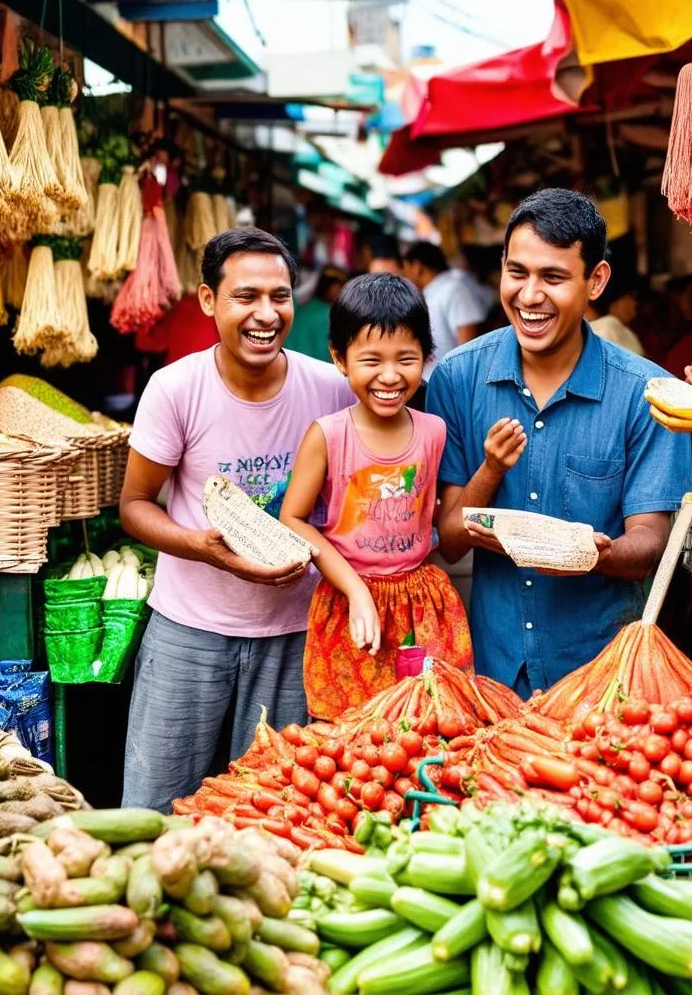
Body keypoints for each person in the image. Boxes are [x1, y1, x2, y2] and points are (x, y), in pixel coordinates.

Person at [119, 227, 352, 812]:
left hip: (296, 636)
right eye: (246, 296)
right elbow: (135, 506)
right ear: (207, 301)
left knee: (277, 812)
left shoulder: (329, 388)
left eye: (280, 296)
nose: (266, 314)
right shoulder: (174, 389)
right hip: (187, 633)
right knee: (155, 810)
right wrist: (202, 545)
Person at [426, 189, 692, 695]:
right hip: (494, 671)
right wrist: (490, 473)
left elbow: (651, 544)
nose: (529, 296)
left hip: (605, 677)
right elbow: (452, 540)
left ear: (596, 281)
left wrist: (593, 554)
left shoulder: (648, 394)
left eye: (553, 277)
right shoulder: (457, 379)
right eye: (517, 272)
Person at [281, 274, 473, 721]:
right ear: (340, 359)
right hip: (347, 601)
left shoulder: (435, 432)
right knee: (347, 732)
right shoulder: (327, 435)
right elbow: (293, 518)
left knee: (427, 722)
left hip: (422, 604)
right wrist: (355, 590)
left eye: (406, 359)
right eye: (371, 360)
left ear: (426, 358)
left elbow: (444, 514)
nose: (389, 376)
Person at [402, 242, 488, 379]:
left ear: (417, 267)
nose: (404, 275)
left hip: (452, 387)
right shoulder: (431, 293)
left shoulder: (454, 290)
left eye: (405, 269)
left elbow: (469, 345)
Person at [286, 266, 347, 363]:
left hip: (293, 364)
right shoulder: (331, 314)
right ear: (330, 287)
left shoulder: (302, 309)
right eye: (341, 286)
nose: (344, 292)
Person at [588, 277, 645, 356]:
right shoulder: (606, 327)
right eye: (629, 297)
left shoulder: (610, 328)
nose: (634, 303)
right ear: (615, 303)